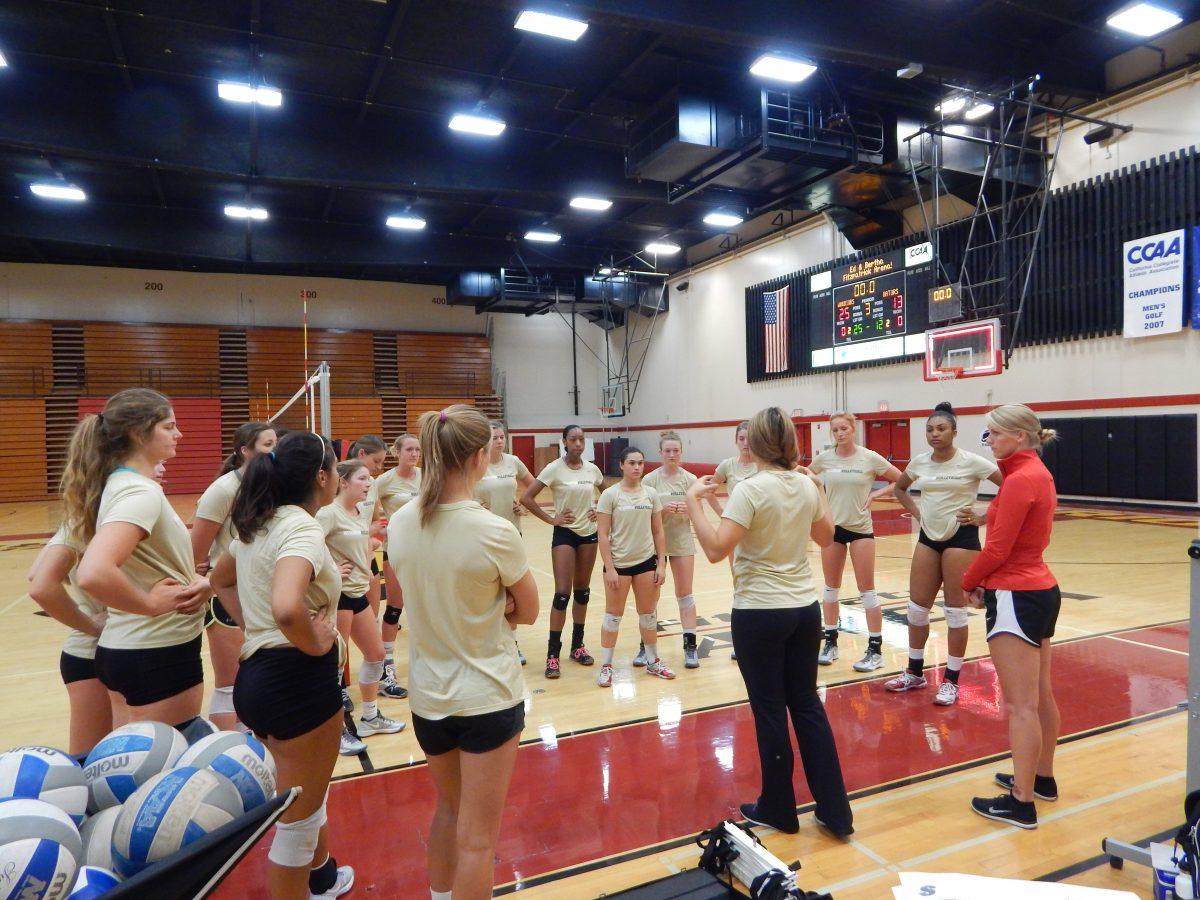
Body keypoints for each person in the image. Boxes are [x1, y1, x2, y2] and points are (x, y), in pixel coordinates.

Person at [389, 405, 538, 899]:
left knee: (447, 813)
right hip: (487, 697)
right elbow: (531, 609)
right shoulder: (494, 530)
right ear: (480, 457)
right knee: (477, 840)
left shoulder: (401, 521)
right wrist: (497, 608)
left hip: (427, 697)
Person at [684, 407, 853, 837]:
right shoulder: (803, 483)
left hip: (760, 611)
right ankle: (836, 811)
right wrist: (818, 490)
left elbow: (716, 549)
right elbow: (827, 536)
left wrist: (693, 505)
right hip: (803, 609)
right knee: (808, 706)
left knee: (770, 711)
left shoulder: (752, 488)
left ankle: (779, 808)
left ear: (755, 442)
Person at [209, 431, 354, 898]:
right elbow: (288, 606)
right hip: (297, 681)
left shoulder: (261, 521)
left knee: (305, 795)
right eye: (336, 466)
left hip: (259, 678)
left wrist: (253, 624)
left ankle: (323, 879)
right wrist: (313, 644)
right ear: (322, 476)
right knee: (297, 820)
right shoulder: (302, 527)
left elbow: (219, 577)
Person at [68, 389, 211, 738]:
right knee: (157, 776)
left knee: (129, 770)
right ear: (138, 433)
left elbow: (147, 562)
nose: (179, 434)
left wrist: (198, 581)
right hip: (157, 650)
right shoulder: (139, 492)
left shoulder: (121, 485)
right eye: (169, 426)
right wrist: (148, 604)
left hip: (133, 648)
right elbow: (94, 571)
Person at [963, 405, 1061, 830]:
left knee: (1021, 705)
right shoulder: (1035, 472)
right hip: (1040, 589)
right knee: (1039, 694)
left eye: (993, 434)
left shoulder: (1021, 479)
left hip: (1017, 595)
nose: (989, 441)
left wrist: (967, 581)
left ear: (1019, 436)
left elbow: (998, 550)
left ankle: (1021, 802)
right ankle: (1040, 778)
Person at [886, 403, 1002, 705]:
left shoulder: (972, 462)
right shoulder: (920, 462)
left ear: (954, 432)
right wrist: (916, 513)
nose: (934, 434)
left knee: (954, 611)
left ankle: (951, 680)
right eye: (930, 429)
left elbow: (1011, 487)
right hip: (927, 538)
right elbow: (900, 489)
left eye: (941, 428)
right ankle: (915, 672)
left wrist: (984, 516)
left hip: (961, 540)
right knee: (916, 609)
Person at [191, 421, 277, 730]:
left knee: (257, 681)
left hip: (262, 594)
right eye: (268, 445)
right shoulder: (223, 490)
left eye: (275, 444)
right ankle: (228, 756)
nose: (274, 451)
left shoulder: (271, 485)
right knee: (231, 687)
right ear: (245, 450)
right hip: (228, 598)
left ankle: (252, 749)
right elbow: (194, 552)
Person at [317, 459, 405, 755]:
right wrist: (330, 569)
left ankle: (369, 717)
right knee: (335, 665)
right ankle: (336, 730)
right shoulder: (328, 513)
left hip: (357, 593)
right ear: (343, 482)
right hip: (337, 595)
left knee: (376, 653)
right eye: (363, 479)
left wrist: (369, 552)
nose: (369, 484)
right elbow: (306, 547)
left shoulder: (360, 511)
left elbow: (360, 543)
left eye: (370, 480)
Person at [808, 412, 902, 671]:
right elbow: (804, 475)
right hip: (833, 530)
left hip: (861, 530)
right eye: (835, 430)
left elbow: (901, 479)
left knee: (867, 590)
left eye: (844, 429)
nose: (839, 434)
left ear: (853, 430)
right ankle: (831, 642)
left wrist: (876, 495)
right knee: (830, 588)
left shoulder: (869, 457)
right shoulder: (825, 458)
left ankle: (875, 650)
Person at [520, 424, 604, 679]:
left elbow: (609, 495)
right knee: (562, 595)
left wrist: (599, 508)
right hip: (565, 533)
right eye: (573, 439)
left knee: (583, 593)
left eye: (581, 440)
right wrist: (551, 519)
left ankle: (577, 647)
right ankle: (552, 655)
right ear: (564, 442)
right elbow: (527, 497)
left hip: (589, 534)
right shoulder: (554, 468)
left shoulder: (592, 469)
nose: (578, 444)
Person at [27, 525, 112, 757]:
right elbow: (40, 585)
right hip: (100, 649)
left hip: (81, 652)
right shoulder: (116, 518)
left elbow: (35, 572)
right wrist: (93, 625)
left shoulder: (76, 522)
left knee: (93, 759)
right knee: (93, 760)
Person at [595, 446, 670, 686]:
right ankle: (606, 666)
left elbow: (658, 531)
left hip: (646, 563)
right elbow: (603, 535)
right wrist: (610, 568)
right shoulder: (611, 495)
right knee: (613, 617)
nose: (637, 467)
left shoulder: (650, 494)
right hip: (619, 564)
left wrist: (661, 564)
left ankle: (653, 661)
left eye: (640, 463)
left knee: (648, 615)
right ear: (622, 465)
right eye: (632, 463)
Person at [474, 421, 536, 665]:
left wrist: (522, 503)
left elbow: (533, 485)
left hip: (511, 534)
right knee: (487, 591)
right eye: (495, 437)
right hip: (483, 534)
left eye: (502, 437)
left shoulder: (514, 462)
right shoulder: (477, 463)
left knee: (511, 593)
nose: (500, 441)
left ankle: (512, 644)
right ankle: (486, 645)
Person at [641, 431, 701, 668]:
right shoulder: (649, 481)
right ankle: (645, 647)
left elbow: (699, 516)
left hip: (682, 541)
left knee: (685, 594)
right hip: (654, 545)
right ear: (660, 453)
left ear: (681, 452)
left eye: (676, 450)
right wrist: (662, 510)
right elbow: (642, 517)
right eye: (668, 451)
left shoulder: (690, 480)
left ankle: (690, 646)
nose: (672, 454)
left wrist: (689, 511)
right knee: (650, 597)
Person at [370, 433, 421, 699]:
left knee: (425, 605)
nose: (414, 454)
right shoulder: (384, 481)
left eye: (417, 450)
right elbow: (369, 512)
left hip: (424, 551)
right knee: (395, 607)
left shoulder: (426, 476)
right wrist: (379, 531)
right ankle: (386, 667)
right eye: (409, 450)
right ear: (397, 452)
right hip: (396, 550)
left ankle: (427, 663)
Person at [711, 422, 756, 661]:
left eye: (749, 438)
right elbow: (707, 489)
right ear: (736, 441)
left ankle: (762, 639)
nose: (745, 442)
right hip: (736, 533)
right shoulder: (728, 466)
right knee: (740, 586)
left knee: (760, 584)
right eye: (741, 438)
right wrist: (722, 512)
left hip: (760, 533)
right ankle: (741, 642)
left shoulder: (763, 466)